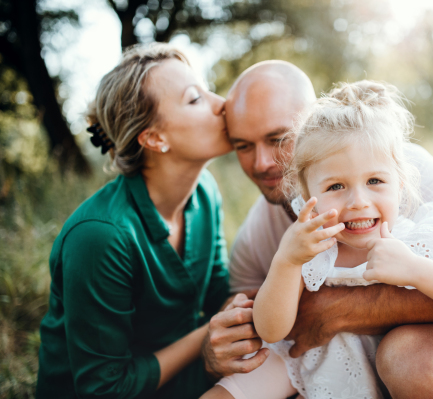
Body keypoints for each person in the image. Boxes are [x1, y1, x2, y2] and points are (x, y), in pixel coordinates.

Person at [215, 61, 433, 398]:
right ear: (305, 194)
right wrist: (286, 264)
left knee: (410, 361)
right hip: (339, 374)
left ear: (401, 184)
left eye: (375, 182)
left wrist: (417, 270)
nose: (359, 201)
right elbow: (269, 331)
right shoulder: (301, 248)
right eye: (336, 186)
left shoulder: (418, 235)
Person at [36, 43, 268, 399]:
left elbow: (220, 292)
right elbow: (105, 388)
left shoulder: (205, 192)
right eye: (194, 99)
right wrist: (207, 335)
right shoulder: (100, 236)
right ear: (154, 138)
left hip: (183, 381)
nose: (221, 102)